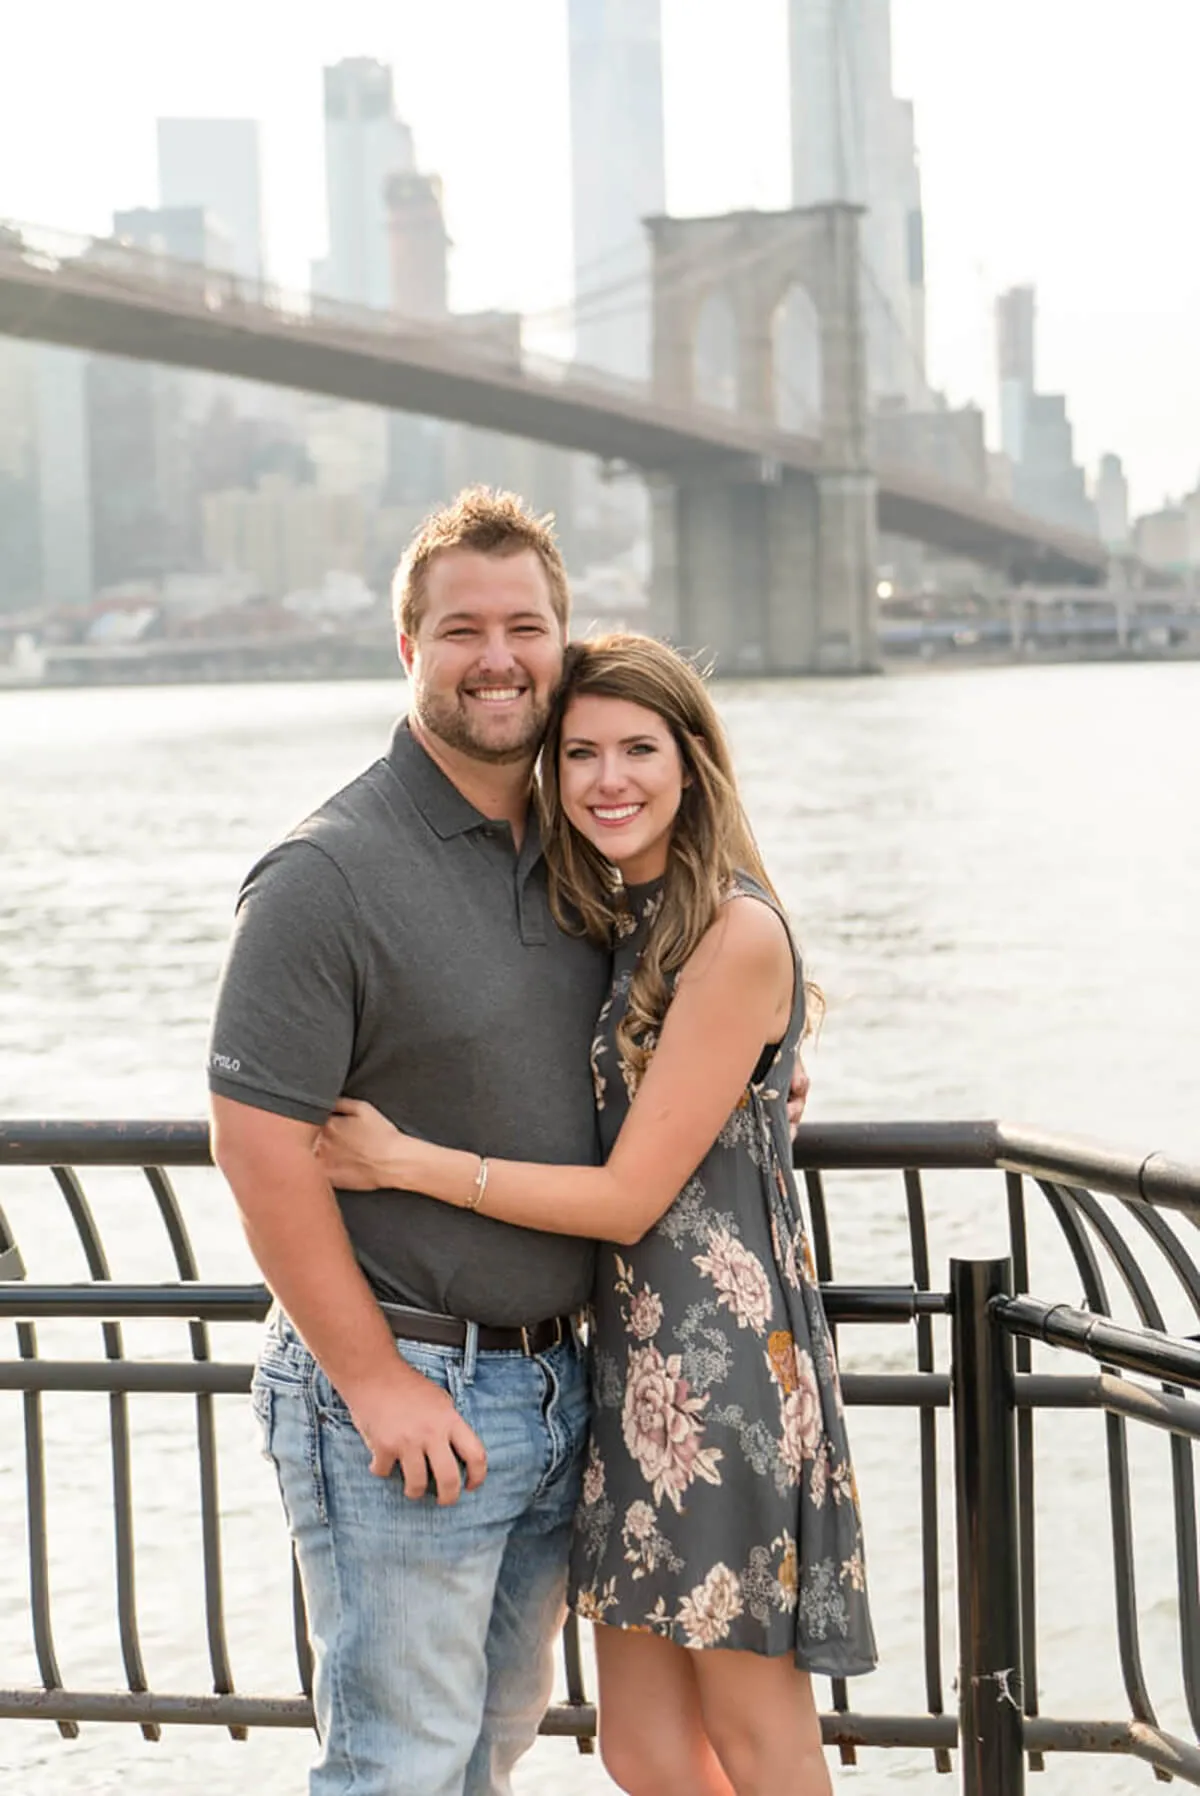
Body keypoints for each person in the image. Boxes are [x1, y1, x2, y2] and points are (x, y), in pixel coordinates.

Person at [316, 632, 877, 1796]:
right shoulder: (627, 916)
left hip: (720, 1373)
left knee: (755, 1728)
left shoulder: (733, 928)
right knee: (642, 1748)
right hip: (629, 1368)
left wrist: (405, 1160)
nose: (608, 777)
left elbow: (628, 1196)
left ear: (692, 761)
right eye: (580, 752)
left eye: (638, 748)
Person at [207, 489, 607, 1796]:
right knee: (399, 1767)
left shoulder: (584, 852)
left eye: (526, 627)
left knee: (480, 1755)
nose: (498, 657)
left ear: (565, 643)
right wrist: (375, 1381)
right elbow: (258, 1148)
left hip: (557, 1391)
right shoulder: (326, 875)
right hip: (407, 1389)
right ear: (407, 651)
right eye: (461, 630)